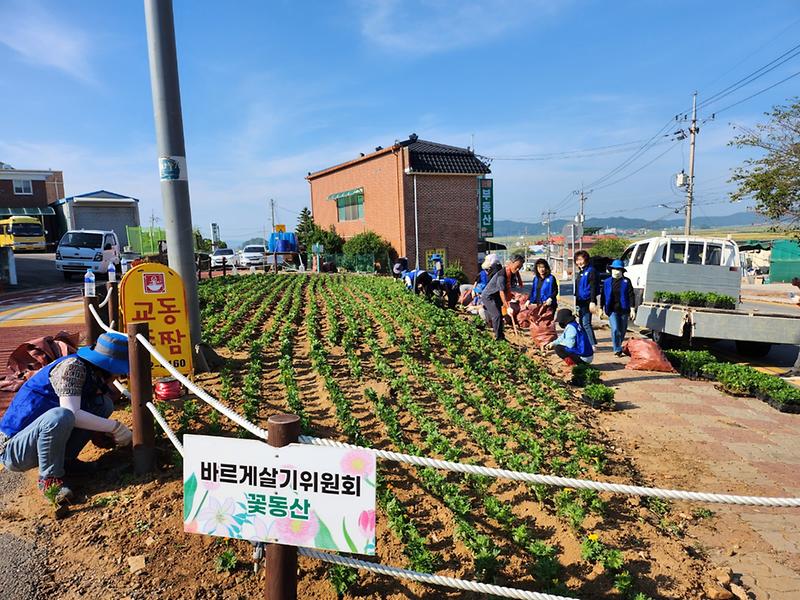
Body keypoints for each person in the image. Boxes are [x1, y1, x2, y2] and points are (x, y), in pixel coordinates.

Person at [0, 332, 133, 509]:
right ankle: (50, 480)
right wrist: (115, 427)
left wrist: (97, 430)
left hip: (39, 437)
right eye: (120, 371)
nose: (120, 376)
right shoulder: (72, 368)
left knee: (103, 405)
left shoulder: (91, 373)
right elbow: (72, 412)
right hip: (14, 449)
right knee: (60, 416)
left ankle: (66, 463)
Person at [602, 259, 636, 356]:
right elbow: (603, 295)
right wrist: (601, 308)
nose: (616, 271)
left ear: (622, 271)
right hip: (612, 310)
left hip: (624, 309)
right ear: (611, 270)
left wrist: (632, 308)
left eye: (619, 270)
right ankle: (617, 349)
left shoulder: (626, 281)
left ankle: (618, 344)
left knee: (622, 330)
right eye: (614, 269)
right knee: (615, 329)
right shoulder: (607, 282)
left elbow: (631, 295)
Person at [547, 308, 594, 377]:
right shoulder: (573, 325)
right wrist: (552, 343)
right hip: (588, 355)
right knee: (558, 346)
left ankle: (573, 366)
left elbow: (570, 345)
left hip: (584, 357)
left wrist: (556, 346)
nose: (560, 323)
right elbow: (562, 337)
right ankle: (577, 363)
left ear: (564, 320)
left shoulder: (571, 328)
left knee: (558, 348)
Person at [574, 250, 599, 347]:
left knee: (586, 323)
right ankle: (586, 343)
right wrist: (576, 305)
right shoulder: (581, 272)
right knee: (581, 323)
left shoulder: (591, 271)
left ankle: (592, 344)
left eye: (581, 259)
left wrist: (593, 301)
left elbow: (593, 287)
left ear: (586, 259)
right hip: (580, 301)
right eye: (577, 260)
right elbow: (577, 290)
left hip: (588, 300)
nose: (579, 262)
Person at [481, 260, 507, 340]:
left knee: (499, 315)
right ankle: (498, 337)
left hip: (495, 296)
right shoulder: (499, 275)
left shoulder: (496, 274)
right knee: (497, 315)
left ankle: (500, 335)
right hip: (490, 296)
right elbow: (500, 290)